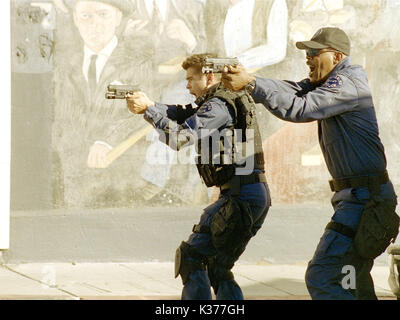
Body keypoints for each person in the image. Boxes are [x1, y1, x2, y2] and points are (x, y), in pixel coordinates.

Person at [222, 27, 398, 300]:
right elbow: (293, 89)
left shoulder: (346, 84)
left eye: (315, 52)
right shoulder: (333, 81)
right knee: (352, 278)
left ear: (337, 56)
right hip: (360, 198)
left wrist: (251, 84)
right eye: (307, 52)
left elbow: (301, 108)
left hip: (365, 201)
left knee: (324, 275)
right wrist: (249, 80)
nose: (308, 57)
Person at [126, 53, 271, 300]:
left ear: (209, 76)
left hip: (241, 197)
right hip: (243, 195)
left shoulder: (218, 105)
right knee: (217, 266)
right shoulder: (219, 101)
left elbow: (180, 136)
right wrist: (149, 105)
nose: (187, 85)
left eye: (191, 79)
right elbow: (181, 113)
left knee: (192, 257)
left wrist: (150, 111)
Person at [52, 0, 171, 208]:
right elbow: (62, 118)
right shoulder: (64, 63)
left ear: (117, 18)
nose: (94, 24)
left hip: (120, 175)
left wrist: (106, 141)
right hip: (73, 176)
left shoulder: (137, 62)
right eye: (86, 16)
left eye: (103, 15)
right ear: (75, 19)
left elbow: (141, 112)